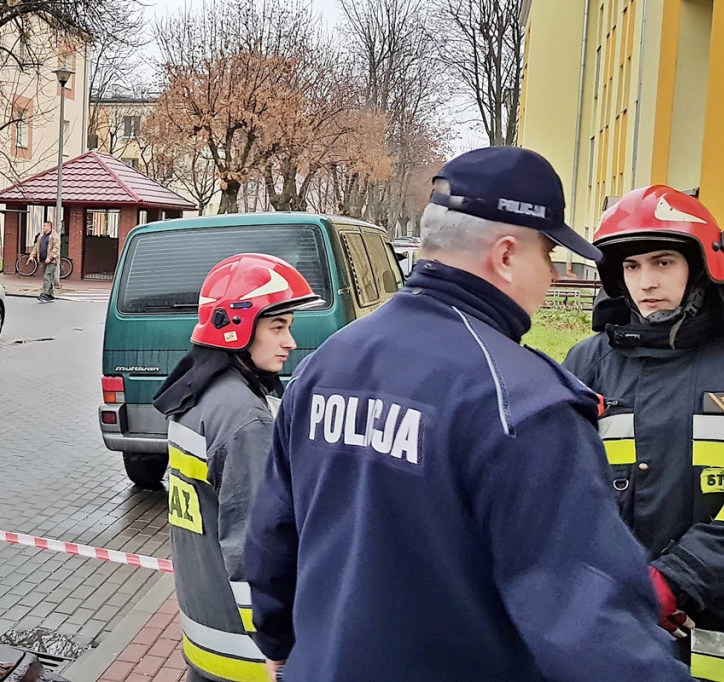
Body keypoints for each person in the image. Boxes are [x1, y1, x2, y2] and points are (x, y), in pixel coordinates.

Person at [244, 147, 692, 682]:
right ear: (505, 255)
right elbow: (593, 624)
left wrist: (282, 644)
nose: (550, 277)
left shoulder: (326, 365)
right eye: (547, 255)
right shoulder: (522, 403)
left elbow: (274, 536)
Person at [563, 185, 724, 682]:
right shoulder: (587, 363)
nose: (645, 282)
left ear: (701, 265)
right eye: (631, 266)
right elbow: (566, 485)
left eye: (662, 262)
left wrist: (675, 581)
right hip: (616, 616)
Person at [152, 253, 321, 682]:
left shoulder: (198, 397)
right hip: (247, 658)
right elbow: (256, 549)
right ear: (238, 328)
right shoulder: (245, 419)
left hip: (204, 635)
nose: (290, 343)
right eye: (278, 327)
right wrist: (278, 645)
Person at [28, 221, 59, 302]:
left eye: (45, 226)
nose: (43, 227)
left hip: (51, 261)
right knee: (47, 278)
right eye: (43, 226)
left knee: (47, 276)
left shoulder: (55, 236)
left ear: (49, 227)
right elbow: (36, 247)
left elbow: (56, 248)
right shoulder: (41, 236)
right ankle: (50, 294)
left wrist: (50, 257)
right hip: (43, 260)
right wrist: (32, 256)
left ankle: (44, 294)